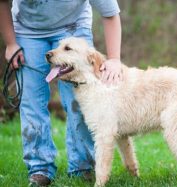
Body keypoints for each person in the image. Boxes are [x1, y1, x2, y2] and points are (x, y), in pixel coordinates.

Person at [0, 0, 122, 186]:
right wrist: (10, 43)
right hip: (27, 31)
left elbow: (110, 12)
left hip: (72, 28)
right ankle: (40, 168)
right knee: (31, 103)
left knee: (81, 104)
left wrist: (114, 59)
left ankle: (83, 167)